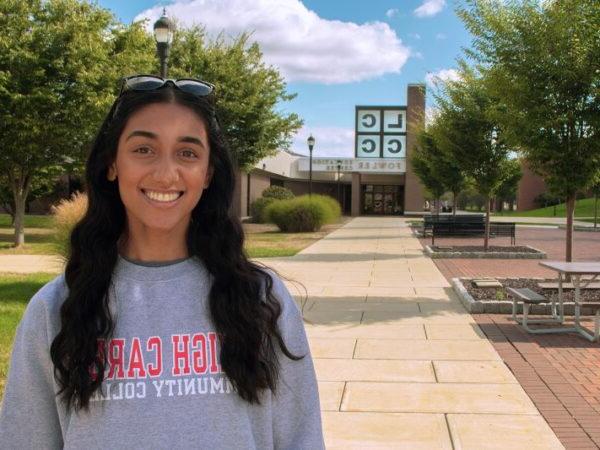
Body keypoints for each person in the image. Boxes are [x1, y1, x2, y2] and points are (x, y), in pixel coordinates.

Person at [0, 75, 325, 449]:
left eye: (187, 153)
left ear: (208, 174)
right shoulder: (55, 309)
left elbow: (302, 438)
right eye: (143, 149)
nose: (165, 173)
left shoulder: (261, 299)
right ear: (112, 164)